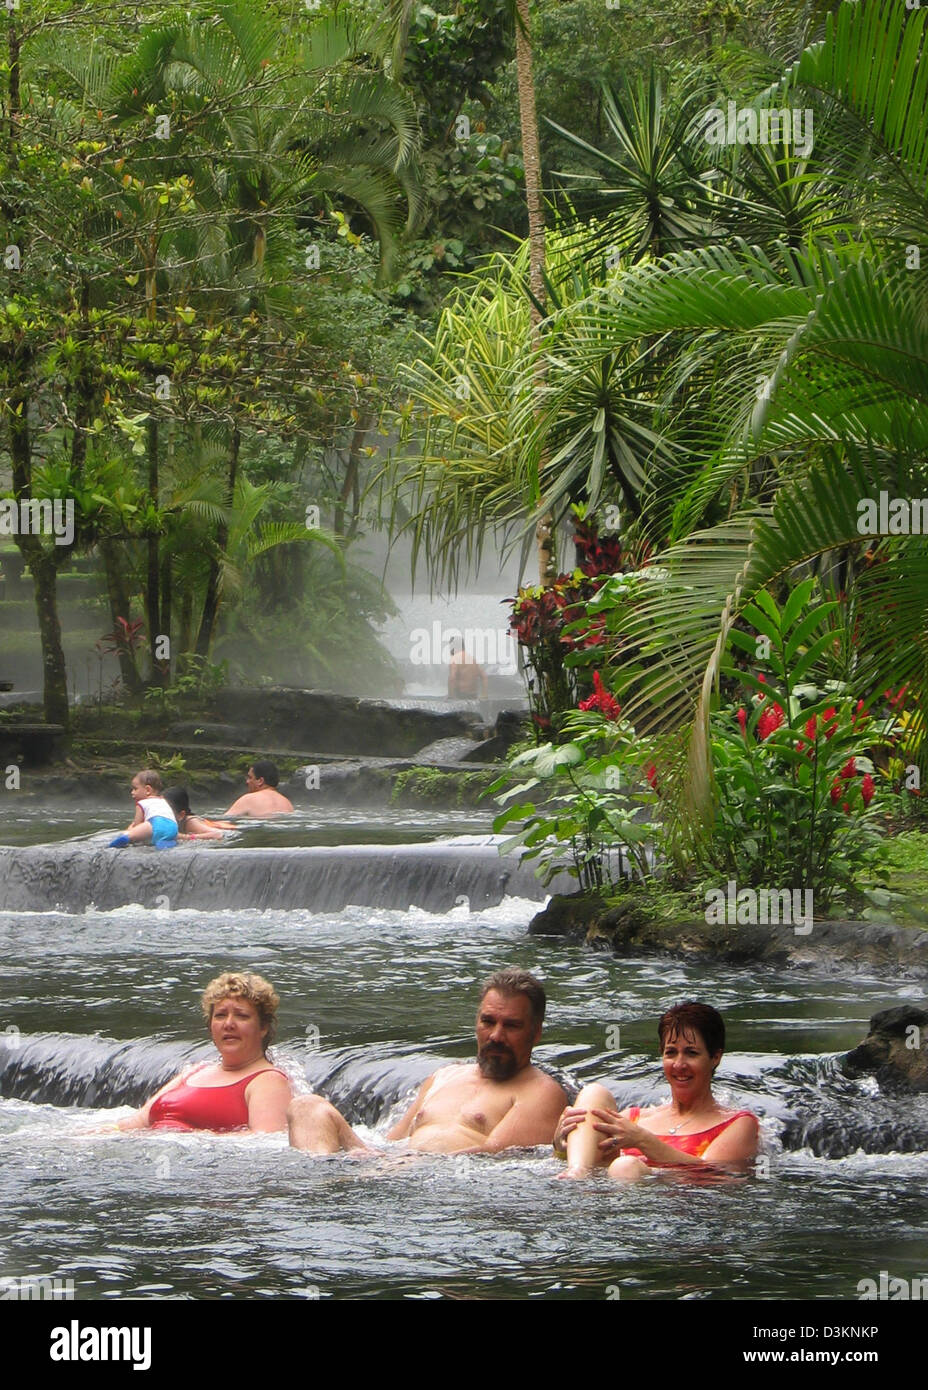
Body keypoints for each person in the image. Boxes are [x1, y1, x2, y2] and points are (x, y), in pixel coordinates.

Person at [288, 967, 566, 1155]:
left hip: (442, 1183)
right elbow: (391, 1143)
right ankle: (318, 1188)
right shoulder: (445, 1076)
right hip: (395, 1168)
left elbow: (494, 1159)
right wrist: (373, 1160)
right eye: (488, 1021)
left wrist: (405, 1166)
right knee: (306, 1107)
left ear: (536, 1033)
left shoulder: (541, 1092)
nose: (496, 1035)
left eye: (512, 1026)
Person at [554, 1001, 758, 1182]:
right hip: (600, 1198)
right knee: (594, 1093)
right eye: (671, 1052)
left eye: (691, 1053)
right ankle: (577, 1172)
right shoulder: (633, 1119)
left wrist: (643, 1140)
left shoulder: (739, 1124)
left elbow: (714, 1174)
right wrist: (561, 1145)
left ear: (715, 1057)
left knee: (625, 1166)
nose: (679, 1064)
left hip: (670, 1212)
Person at [111, 972, 292, 1133]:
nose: (228, 1024)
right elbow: (138, 1121)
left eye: (241, 1015)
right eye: (220, 1015)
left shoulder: (269, 1081)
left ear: (263, 1027)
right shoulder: (195, 1071)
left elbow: (263, 1141)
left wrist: (191, 1138)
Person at [109, 769, 178, 849]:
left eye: (135, 789)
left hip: (156, 824)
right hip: (173, 828)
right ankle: (165, 841)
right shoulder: (163, 800)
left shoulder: (142, 803)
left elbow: (138, 824)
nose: (132, 792)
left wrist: (130, 830)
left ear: (148, 790)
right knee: (158, 833)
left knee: (131, 833)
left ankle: (121, 840)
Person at [224, 760, 294, 817]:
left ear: (260, 781)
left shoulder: (248, 799)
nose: (247, 781)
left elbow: (225, 820)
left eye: (250, 777)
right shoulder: (287, 803)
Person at [163, 785, 235, 840]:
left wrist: (185, 837)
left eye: (167, 811)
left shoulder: (190, 823)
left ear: (181, 815)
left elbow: (218, 834)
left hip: (228, 830)